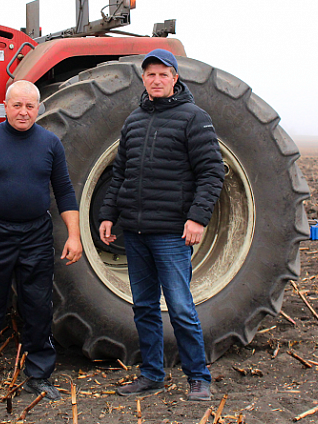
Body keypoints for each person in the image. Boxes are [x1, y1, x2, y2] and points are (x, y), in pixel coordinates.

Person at [98, 49, 225, 402]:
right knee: (144, 308)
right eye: (150, 74)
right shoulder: (134, 120)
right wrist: (108, 214)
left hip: (171, 234)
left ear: (175, 79)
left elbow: (212, 173)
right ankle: (151, 375)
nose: (156, 80)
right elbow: (119, 174)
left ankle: (198, 377)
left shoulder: (194, 119)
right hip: (135, 232)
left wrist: (198, 218)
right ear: (143, 79)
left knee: (182, 308)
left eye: (163, 74)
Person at [0, 80, 83, 402]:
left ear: (38, 109)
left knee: (37, 307)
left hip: (36, 235)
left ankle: (39, 376)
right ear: (5, 106)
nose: (23, 112)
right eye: (17, 106)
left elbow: (64, 192)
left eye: (30, 106)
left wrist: (75, 236)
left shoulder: (50, 144)